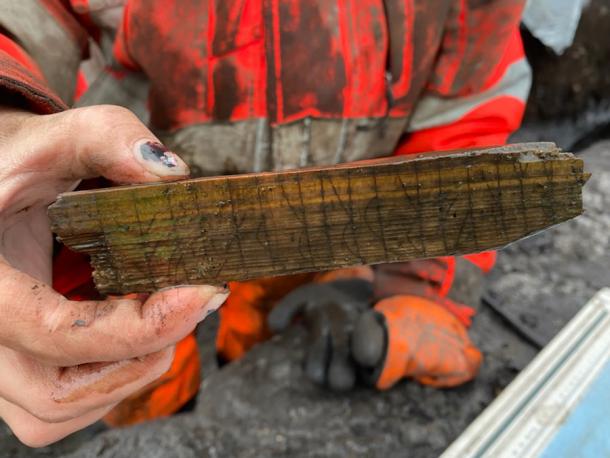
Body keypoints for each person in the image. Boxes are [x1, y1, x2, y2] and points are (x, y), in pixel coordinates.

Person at [0, 0, 530, 446]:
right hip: (120, 245)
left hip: (317, 241)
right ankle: (159, 416)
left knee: (263, 326)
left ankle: (230, 364)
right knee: (136, 378)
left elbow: (467, 108)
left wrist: (424, 288)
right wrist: (9, 111)